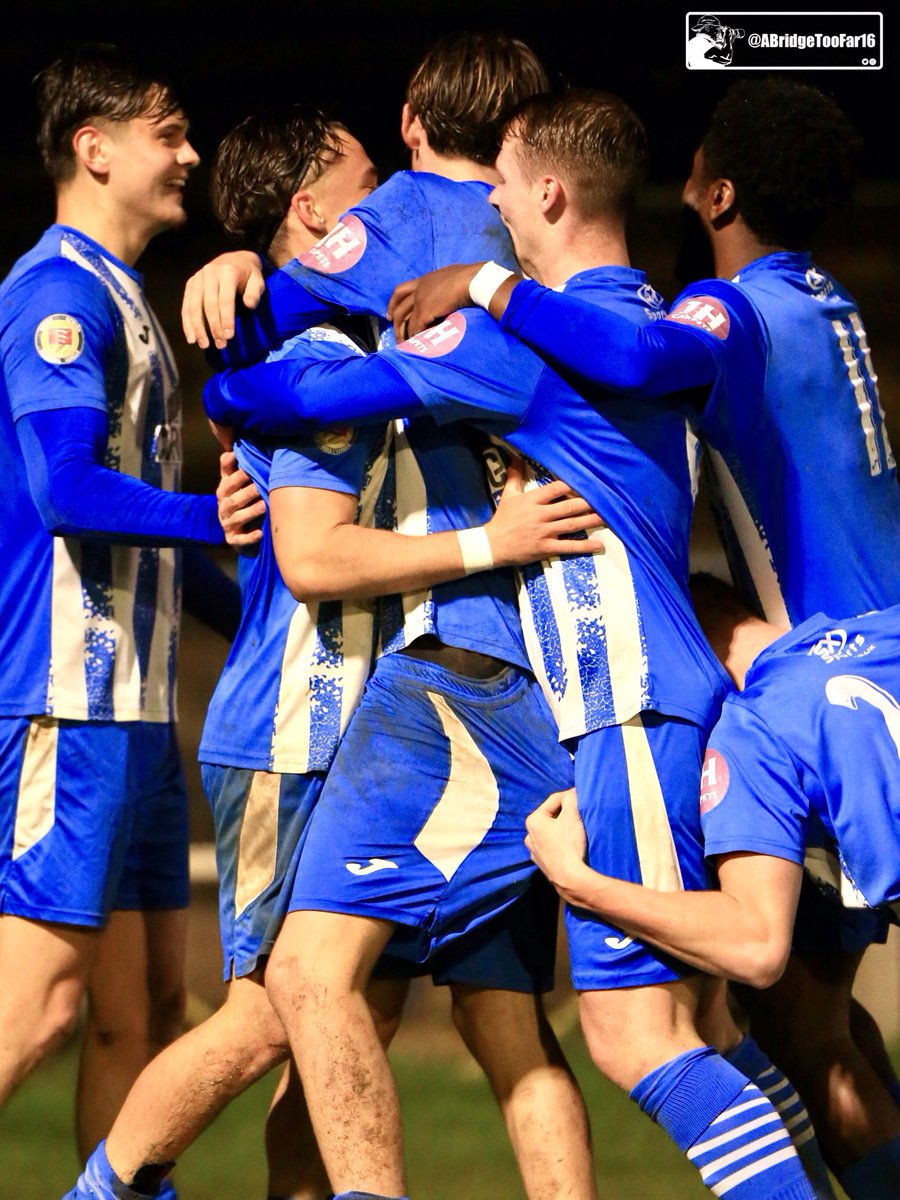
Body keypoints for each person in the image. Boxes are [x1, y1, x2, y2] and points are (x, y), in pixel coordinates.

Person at [201, 87, 824, 1200]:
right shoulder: (659, 320)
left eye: (501, 180)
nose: (482, 197)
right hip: (653, 701)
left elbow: (308, 393)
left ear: (544, 192)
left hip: (630, 705)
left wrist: (226, 375)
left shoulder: (514, 352)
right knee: (698, 1029)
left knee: (637, 1039)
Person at [69, 77, 600, 1200]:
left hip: (372, 718)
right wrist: (488, 544)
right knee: (275, 1012)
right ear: (317, 209)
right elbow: (310, 557)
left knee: (339, 1019)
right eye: (369, 174)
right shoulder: (316, 365)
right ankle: (105, 1187)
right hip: (289, 729)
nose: (398, 191)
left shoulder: (356, 344)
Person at [388, 76, 900, 1195]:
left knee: (694, 1023)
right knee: (789, 1017)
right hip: (837, 669)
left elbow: (639, 362)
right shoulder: (829, 302)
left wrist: (487, 283)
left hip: (824, 681)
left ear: (718, 193)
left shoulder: (733, 310)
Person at [0, 43, 240, 1171]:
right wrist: (215, 522)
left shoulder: (127, 302)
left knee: (143, 1018)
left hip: (139, 718)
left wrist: (269, 627)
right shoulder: (55, 293)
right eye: (170, 133)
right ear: (93, 150)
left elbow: (153, 549)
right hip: (64, 699)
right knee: (41, 1009)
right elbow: (69, 494)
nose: (190, 155)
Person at [524, 573, 900, 1199]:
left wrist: (580, 882)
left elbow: (755, 947)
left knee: (637, 1039)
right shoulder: (883, 629)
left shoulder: (756, 733)